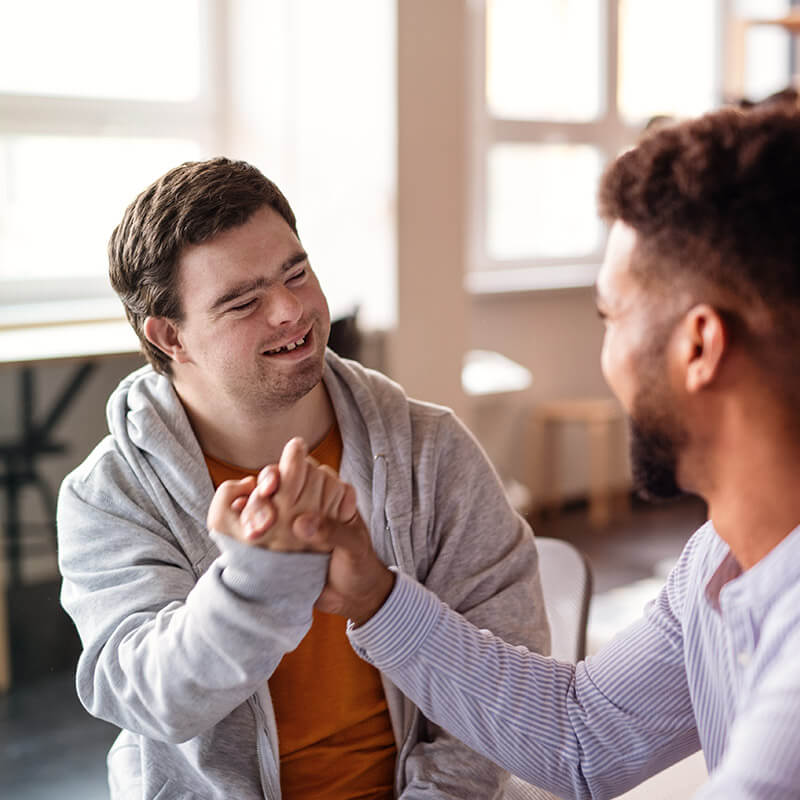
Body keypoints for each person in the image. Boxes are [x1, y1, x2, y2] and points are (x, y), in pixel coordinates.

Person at [237, 105, 800, 799]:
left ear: (699, 347)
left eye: (610, 315)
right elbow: (583, 735)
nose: (607, 355)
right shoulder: (719, 557)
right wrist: (376, 597)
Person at [56, 158, 549, 799]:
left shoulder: (432, 450)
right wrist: (259, 581)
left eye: (297, 272)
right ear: (169, 335)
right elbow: (152, 699)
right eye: (243, 302)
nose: (292, 311)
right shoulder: (111, 495)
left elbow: (505, 680)